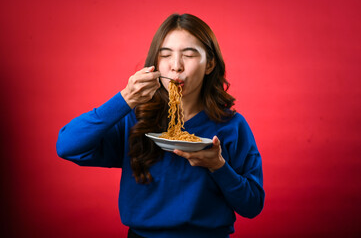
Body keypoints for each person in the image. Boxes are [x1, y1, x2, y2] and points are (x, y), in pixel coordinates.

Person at [56, 13, 265, 238]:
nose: (176, 66)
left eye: (189, 55)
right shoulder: (135, 119)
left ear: (210, 64)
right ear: (155, 64)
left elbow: (252, 205)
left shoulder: (232, 126)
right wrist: (125, 99)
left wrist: (218, 165)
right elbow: (67, 146)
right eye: (165, 55)